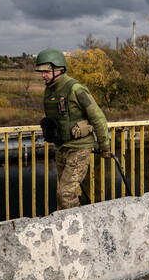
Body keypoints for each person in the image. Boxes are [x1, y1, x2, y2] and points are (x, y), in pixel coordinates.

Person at [35, 48, 110, 210]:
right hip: (62, 148)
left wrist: (105, 146)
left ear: (59, 69)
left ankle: (75, 229)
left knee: (65, 194)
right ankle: (67, 226)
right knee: (63, 194)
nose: (43, 75)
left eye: (46, 71)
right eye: (41, 72)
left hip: (79, 148)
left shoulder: (76, 89)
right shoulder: (50, 89)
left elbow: (97, 116)